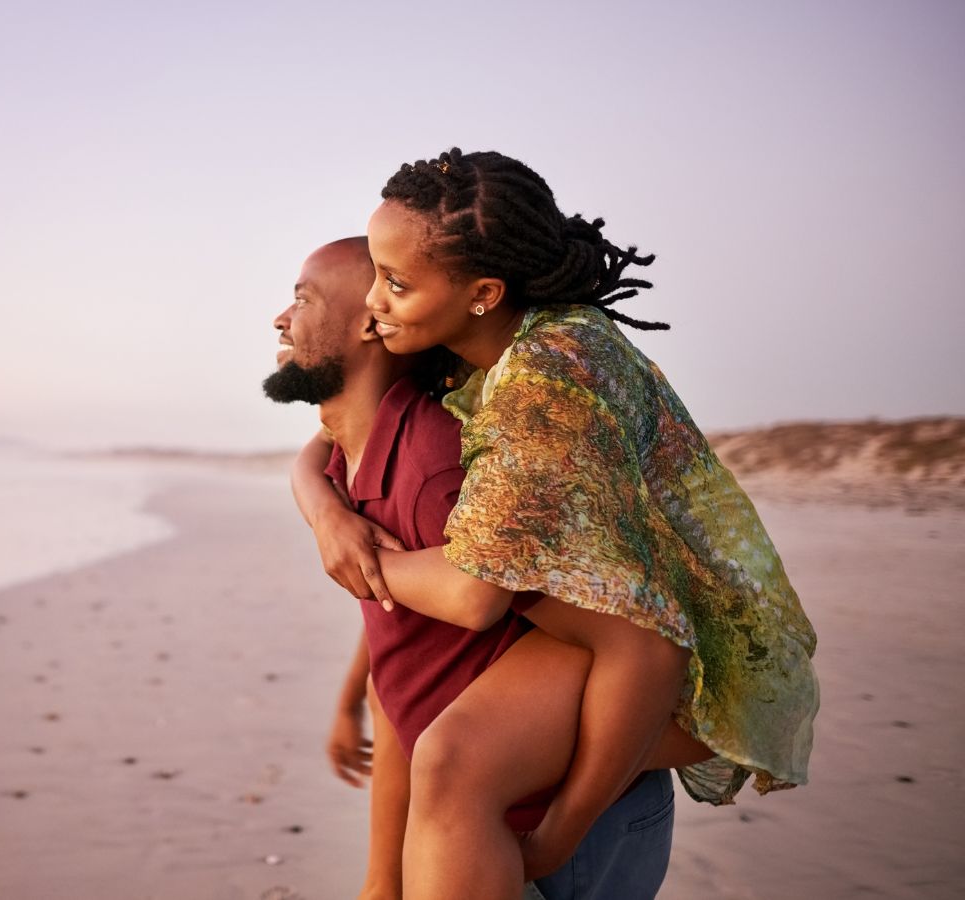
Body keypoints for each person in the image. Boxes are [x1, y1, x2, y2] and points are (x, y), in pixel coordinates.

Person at [291, 149, 820, 900]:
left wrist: (564, 828)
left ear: (482, 292)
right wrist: (320, 505)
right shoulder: (481, 341)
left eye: (396, 283)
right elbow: (323, 445)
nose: (373, 302)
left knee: (454, 758)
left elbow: (529, 610)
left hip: (692, 654)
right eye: (376, 274)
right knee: (449, 755)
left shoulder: (547, 384)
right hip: (618, 639)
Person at [268, 238, 689, 900]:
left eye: (302, 298)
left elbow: (630, 637)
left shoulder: (435, 470)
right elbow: (408, 649)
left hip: (555, 829)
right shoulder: (349, 453)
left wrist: (561, 830)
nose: (280, 319)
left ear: (371, 323)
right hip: (477, 816)